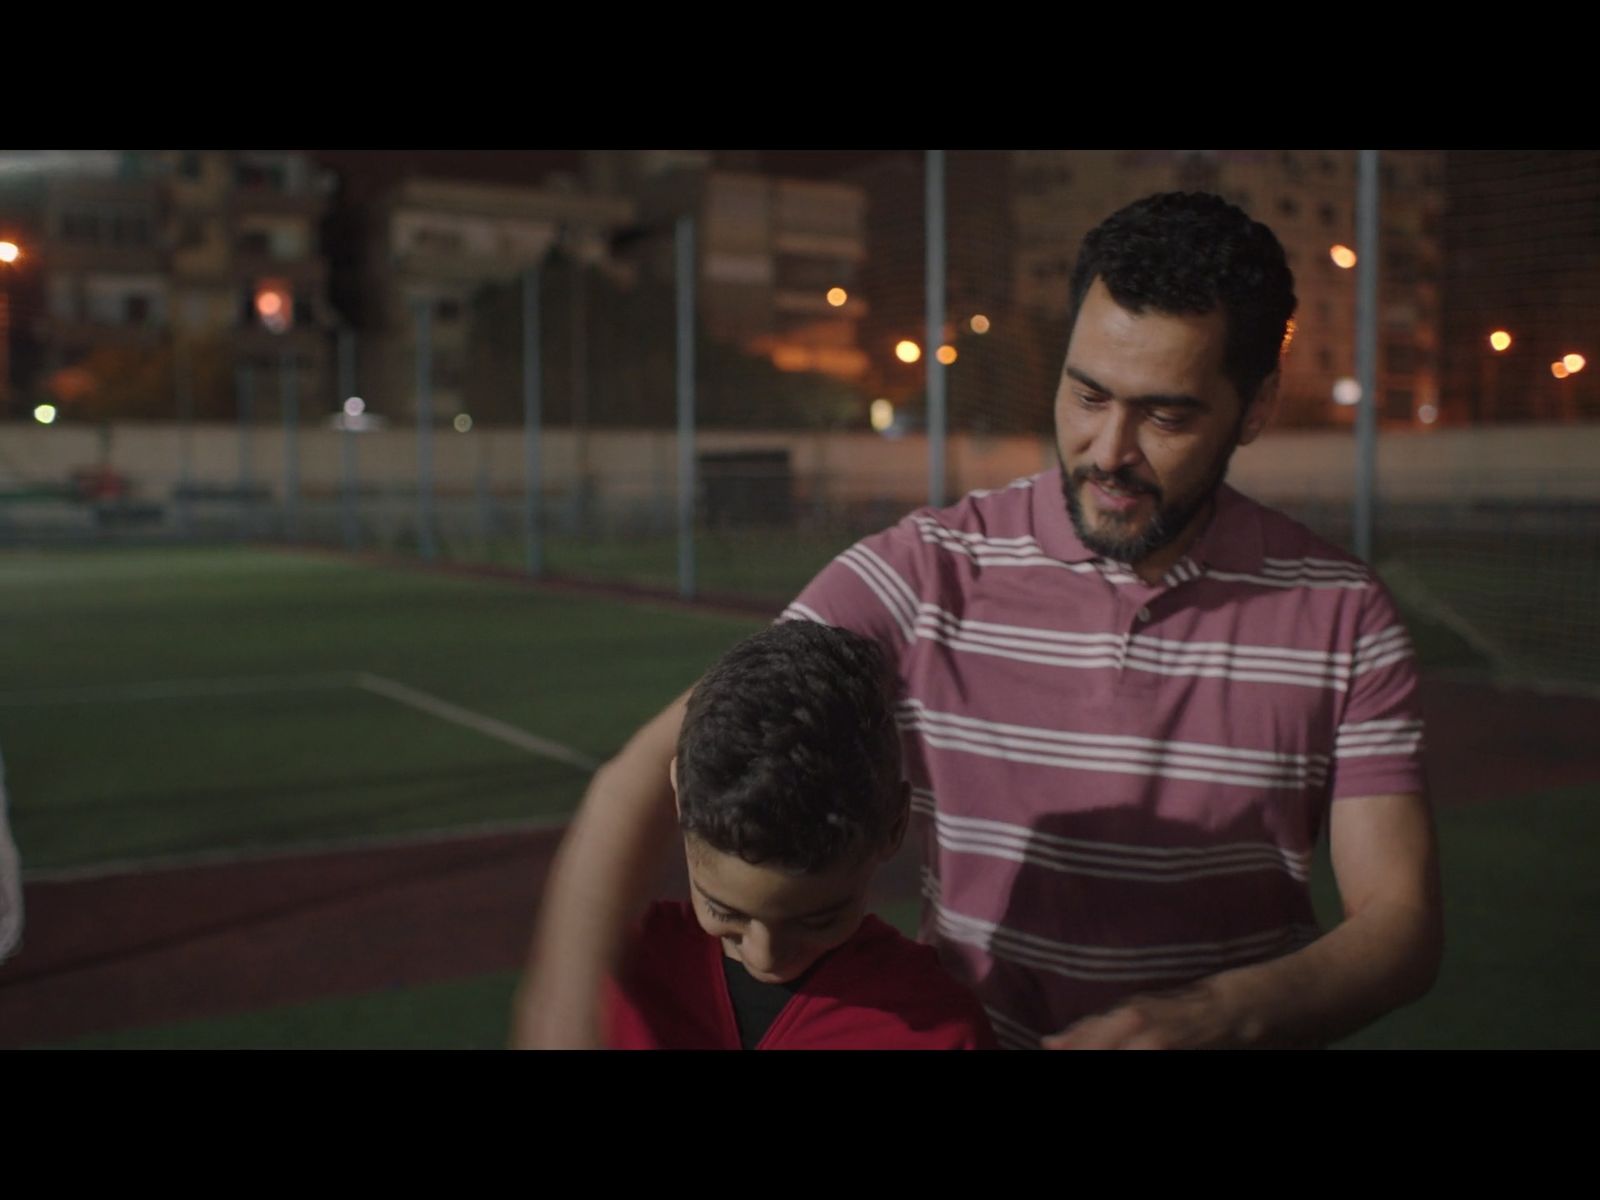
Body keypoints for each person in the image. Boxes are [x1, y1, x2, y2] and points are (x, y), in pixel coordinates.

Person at [515, 191, 1442, 1051]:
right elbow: (649, 771)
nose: (1108, 451)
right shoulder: (923, 570)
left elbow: (1399, 925)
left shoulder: (1343, 612)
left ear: (1257, 409)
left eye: (1166, 415)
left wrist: (1218, 1016)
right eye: (1087, 396)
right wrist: (563, 1016)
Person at [601, 620, 995, 1049]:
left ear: (895, 823)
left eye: (818, 919)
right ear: (679, 792)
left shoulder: (937, 1028)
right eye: (724, 911)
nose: (765, 955)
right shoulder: (613, 977)